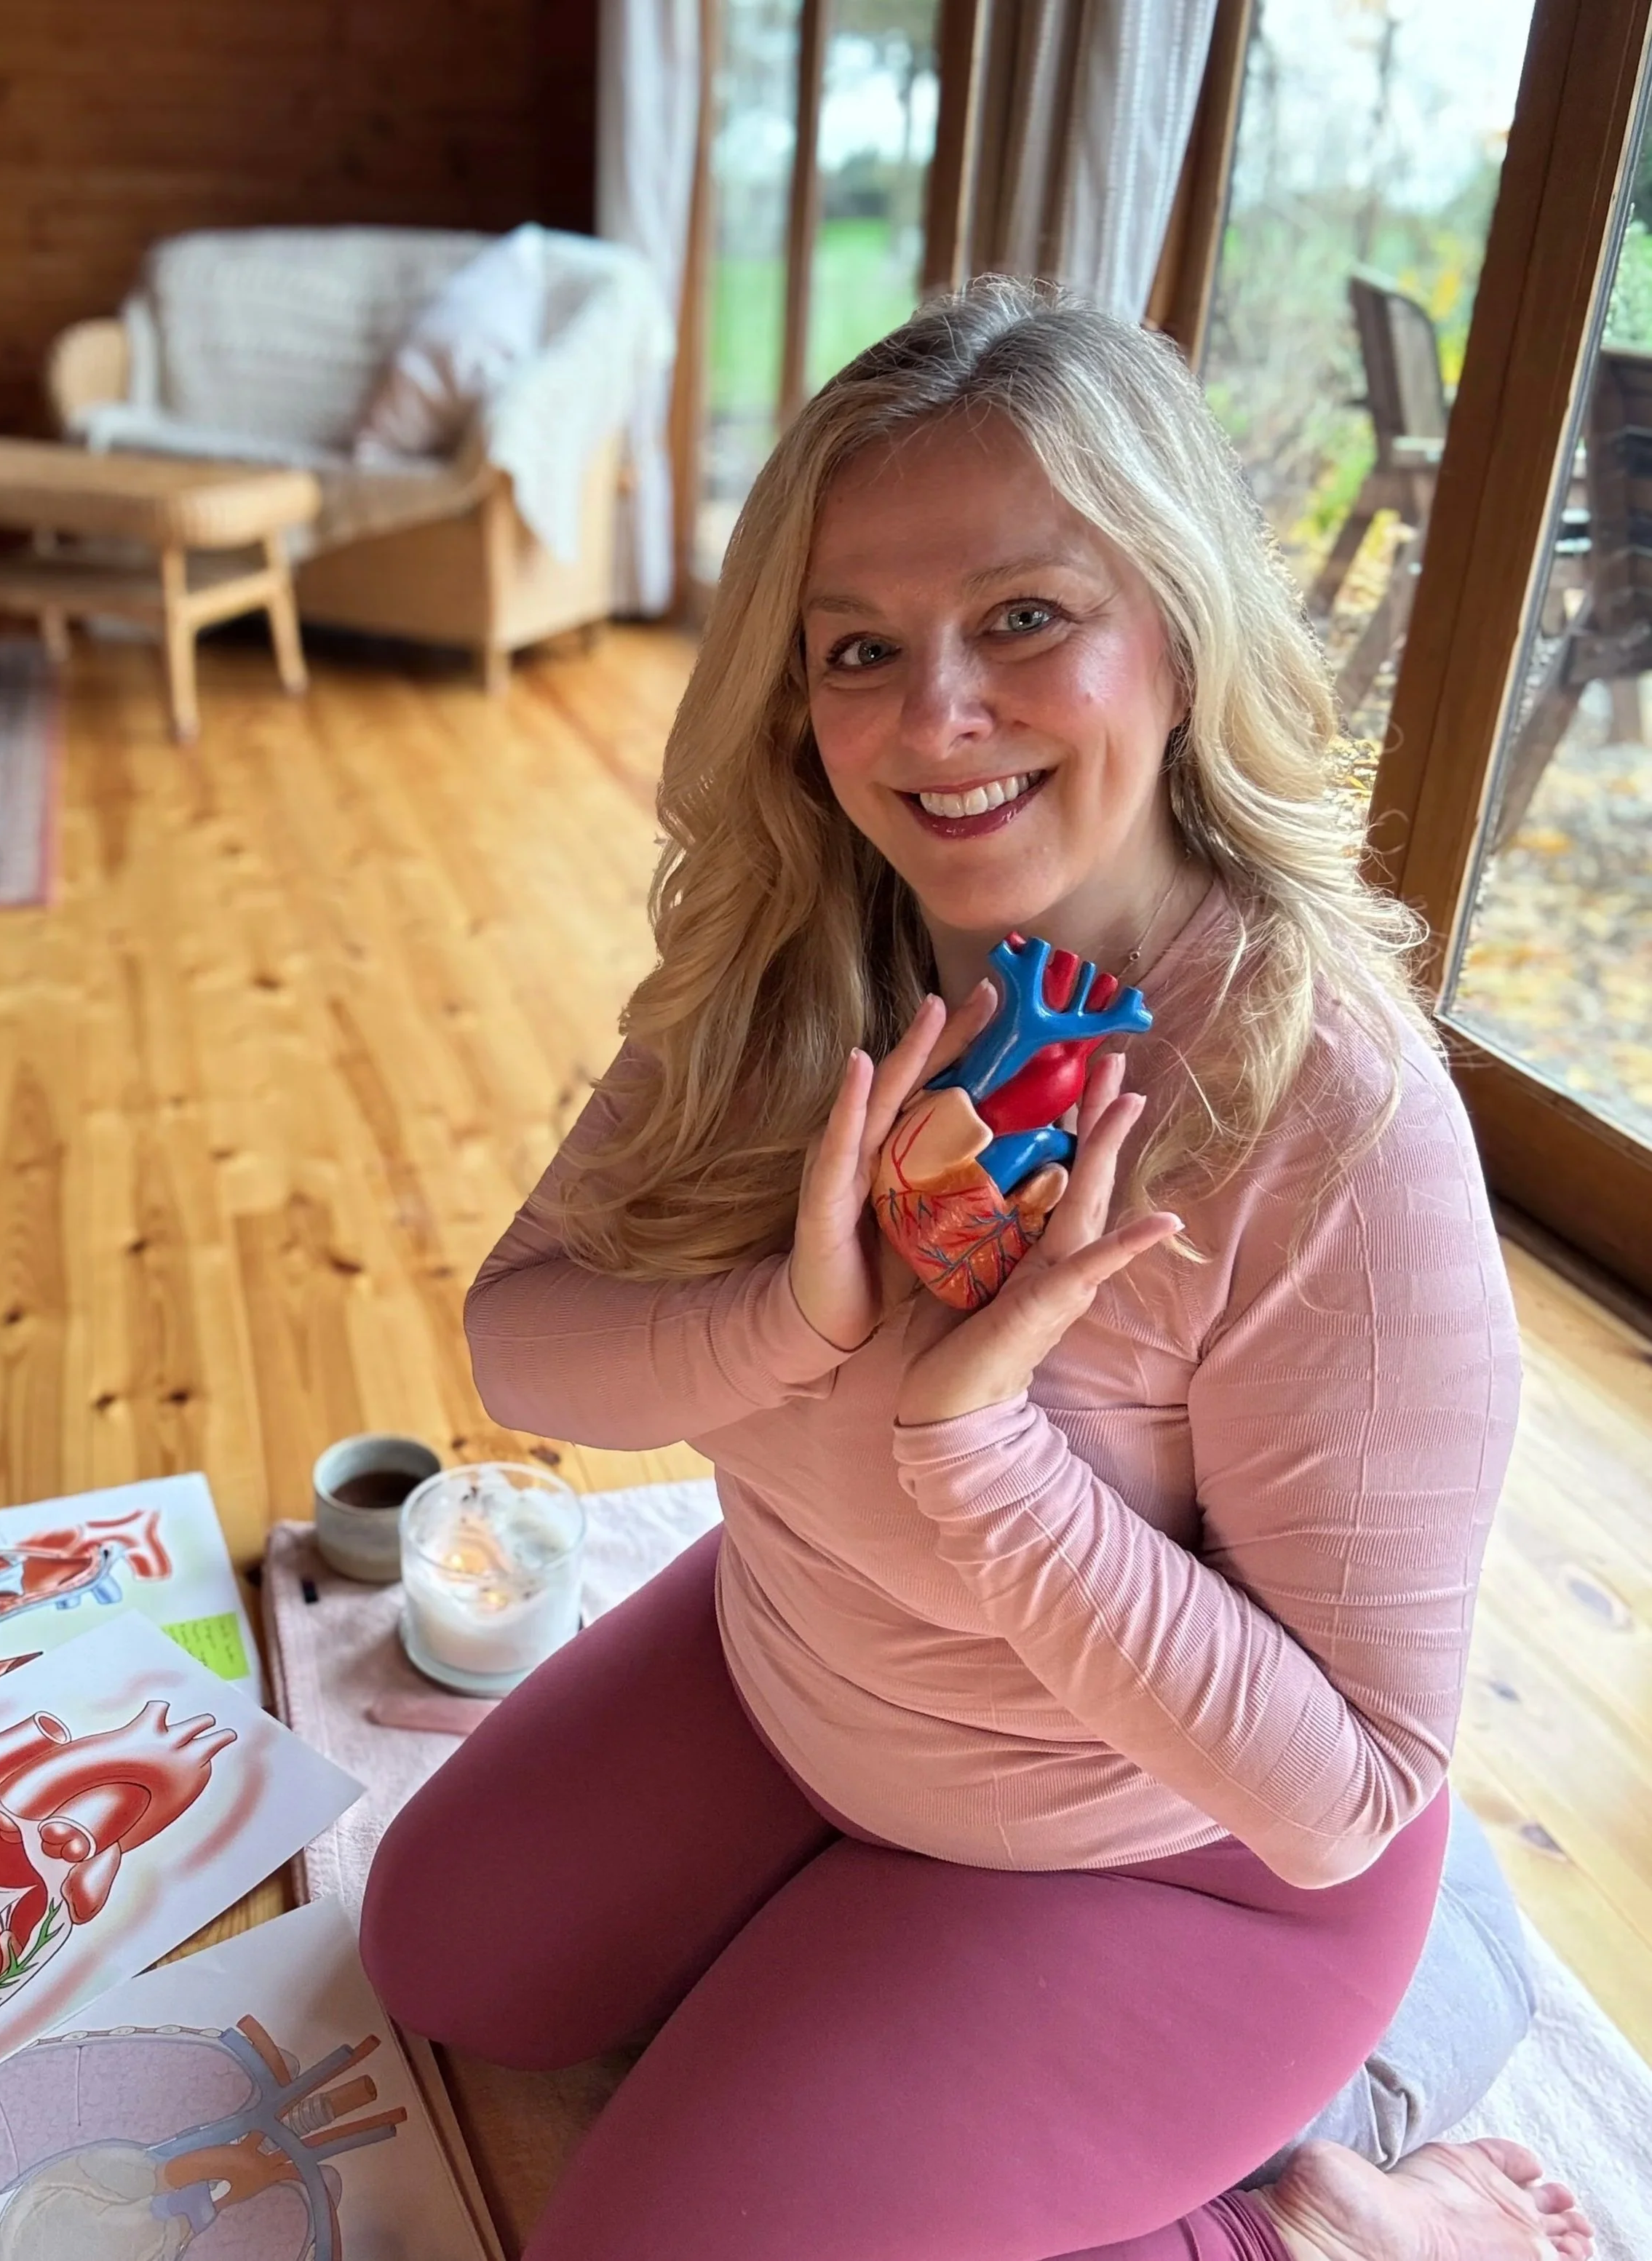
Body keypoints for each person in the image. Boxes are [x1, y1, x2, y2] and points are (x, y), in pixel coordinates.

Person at [361, 278, 1590, 2261]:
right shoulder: (796, 963)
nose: (935, 720)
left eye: (1025, 619)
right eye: (862, 647)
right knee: (446, 1959)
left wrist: (980, 1450)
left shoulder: (1338, 1126)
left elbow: (1344, 1790)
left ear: (1179, 639)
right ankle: (872, 1972)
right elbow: (527, 1345)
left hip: (1176, 1856)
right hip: (808, 1670)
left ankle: (1351, 2212)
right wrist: (787, 1322)